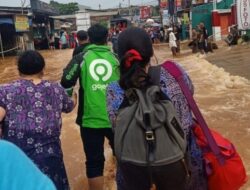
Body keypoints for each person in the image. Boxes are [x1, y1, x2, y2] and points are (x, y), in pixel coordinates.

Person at [106, 27, 207, 190]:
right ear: (151, 52)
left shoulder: (114, 89)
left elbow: (115, 126)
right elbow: (190, 94)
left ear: (119, 57)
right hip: (181, 165)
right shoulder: (175, 71)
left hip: (135, 174)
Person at [0, 50, 77, 190]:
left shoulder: (5, 91)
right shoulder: (55, 89)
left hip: (18, 158)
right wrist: (75, 98)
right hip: (51, 156)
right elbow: (69, 107)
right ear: (43, 68)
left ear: (19, 69)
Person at [60, 24, 119, 190]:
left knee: (94, 163)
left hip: (89, 119)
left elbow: (66, 81)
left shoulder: (81, 57)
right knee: (122, 156)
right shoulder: (116, 58)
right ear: (107, 37)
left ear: (89, 38)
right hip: (117, 119)